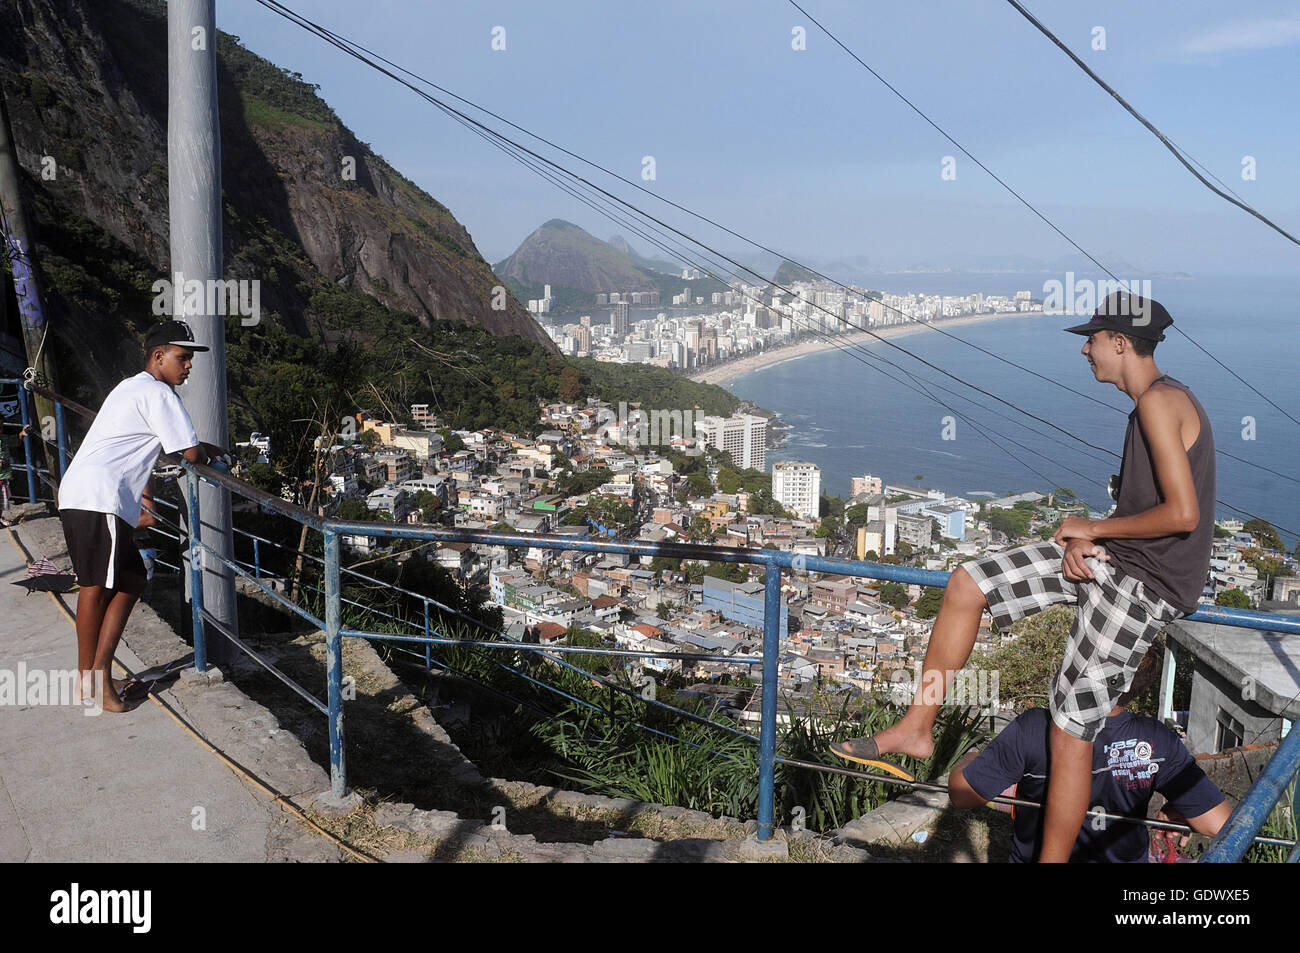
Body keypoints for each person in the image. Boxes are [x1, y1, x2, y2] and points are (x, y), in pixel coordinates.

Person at [832, 291, 1216, 862]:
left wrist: (1091, 525)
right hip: (1116, 562)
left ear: (1120, 342)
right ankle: (917, 725)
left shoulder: (1161, 403)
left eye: (1092, 338)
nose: (1085, 350)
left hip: (1143, 586)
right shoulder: (1150, 406)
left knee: (1069, 731)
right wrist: (1092, 535)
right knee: (969, 582)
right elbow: (1150, 508)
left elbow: (1183, 515)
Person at [57, 320, 227, 711]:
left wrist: (203, 447)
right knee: (94, 585)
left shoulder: (131, 387)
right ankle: (94, 681)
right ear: (158, 355)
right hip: (100, 497)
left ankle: (92, 677)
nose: (188, 367)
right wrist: (211, 453)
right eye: (182, 358)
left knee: (131, 578)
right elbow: (188, 453)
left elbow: (174, 444)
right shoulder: (159, 394)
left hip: (84, 492)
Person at [948, 642, 1231, 862]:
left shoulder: (1034, 728)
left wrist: (968, 759)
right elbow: (1220, 824)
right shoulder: (1156, 740)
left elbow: (962, 794)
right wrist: (1182, 805)